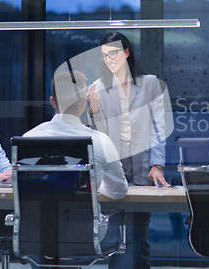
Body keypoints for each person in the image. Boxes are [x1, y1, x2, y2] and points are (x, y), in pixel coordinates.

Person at [22, 71, 130, 268]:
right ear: (84, 102)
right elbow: (119, 190)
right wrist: (94, 187)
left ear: (53, 102)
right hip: (85, 235)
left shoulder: (27, 139)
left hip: (34, 236)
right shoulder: (100, 141)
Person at [86, 32, 172, 269]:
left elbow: (158, 128)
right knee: (117, 234)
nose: (109, 60)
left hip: (144, 169)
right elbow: (99, 135)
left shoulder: (151, 84)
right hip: (114, 170)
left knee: (139, 233)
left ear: (126, 52)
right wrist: (92, 111)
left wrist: (157, 165)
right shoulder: (99, 87)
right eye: (104, 56)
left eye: (113, 53)